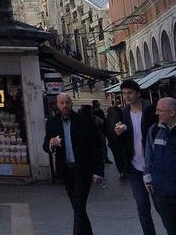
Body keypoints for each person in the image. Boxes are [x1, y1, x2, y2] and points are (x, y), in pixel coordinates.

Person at [44, 92, 104, 235]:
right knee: (78, 207)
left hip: (83, 170)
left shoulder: (84, 121)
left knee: (78, 203)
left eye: (68, 102)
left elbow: (96, 147)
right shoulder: (53, 123)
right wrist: (51, 144)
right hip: (66, 171)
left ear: (71, 103)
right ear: (57, 105)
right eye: (62, 103)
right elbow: (46, 145)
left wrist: (98, 171)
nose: (65, 106)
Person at [144, 97, 176, 235]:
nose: (156, 113)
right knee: (171, 229)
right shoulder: (154, 131)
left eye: (160, 110)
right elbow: (149, 156)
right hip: (162, 192)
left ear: (172, 112)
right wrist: (147, 178)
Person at [115, 79, 158, 235]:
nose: (127, 96)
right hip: (134, 167)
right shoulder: (123, 113)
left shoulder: (151, 110)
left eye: (130, 93)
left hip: (153, 166)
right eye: (124, 93)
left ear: (138, 94)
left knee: (161, 205)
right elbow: (120, 143)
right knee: (142, 207)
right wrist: (118, 134)